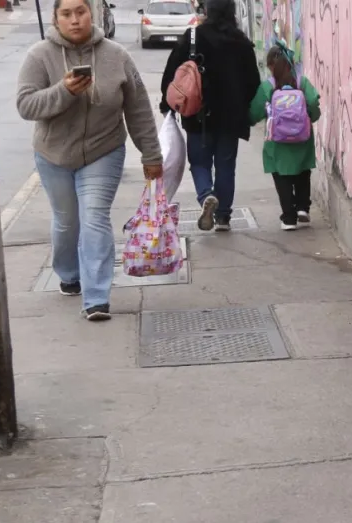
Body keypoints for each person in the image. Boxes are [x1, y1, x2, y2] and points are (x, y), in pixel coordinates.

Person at [16, 0, 162, 322]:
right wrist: (64, 91)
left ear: (91, 13)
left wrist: (152, 155)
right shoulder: (39, 56)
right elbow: (26, 106)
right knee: (67, 222)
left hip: (103, 150)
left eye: (80, 11)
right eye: (66, 14)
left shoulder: (116, 56)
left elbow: (138, 110)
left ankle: (97, 297)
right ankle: (69, 273)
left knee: (94, 217)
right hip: (53, 154)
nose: (75, 20)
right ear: (56, 19)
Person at [160, 0, 260, 232]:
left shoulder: (193, 37)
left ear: (207, 10)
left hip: (198, 115)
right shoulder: (241, 43)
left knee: (199, 163)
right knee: (226, 165)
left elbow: (172, 73)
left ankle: (206, 194)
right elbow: (253, 83)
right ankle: (223, 217)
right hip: (231, 117)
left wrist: (167, 106)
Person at [249, 45, 321, 230]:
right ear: (290, 64)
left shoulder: (268, 86)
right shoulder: (302, 83)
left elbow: (255, 112)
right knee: (302, 172)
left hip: (277, 142)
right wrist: (311, 116)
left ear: (271, 66)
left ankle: (288, 218)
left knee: (282, 178)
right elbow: (313, 103)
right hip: (302, 138)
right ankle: (303, 208)